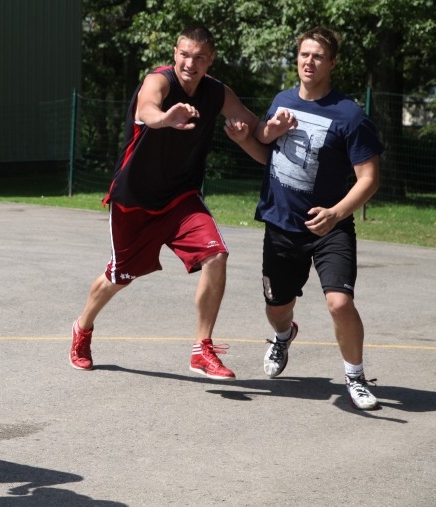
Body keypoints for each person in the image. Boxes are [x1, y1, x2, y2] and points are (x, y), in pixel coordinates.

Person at [70, 25, 291, 379]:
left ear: (210, 60)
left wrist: (272, 129)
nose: (191, 62)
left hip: (180, 197)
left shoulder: (216, 92)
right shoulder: (158, 81)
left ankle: (202, 349)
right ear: (175, 53)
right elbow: (147, 109)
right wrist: (165, 118)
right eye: (185, 54)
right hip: (135, 199)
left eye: (200, 57)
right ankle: (82, 329)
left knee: (216, 255)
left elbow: (254, 128)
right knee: (119, 276)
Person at [223, 27, 383, 410]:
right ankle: (283, 336)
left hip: (331, 226)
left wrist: (336, 213)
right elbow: (271, 159)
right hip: (281, 223)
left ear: (332, 63)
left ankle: (355, 377)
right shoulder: (282, 101)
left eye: (318, 57)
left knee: (340, 303)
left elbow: (369, 178)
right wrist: (245, 139)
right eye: (304, 55)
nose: (309, 62)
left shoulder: (350, 115)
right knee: (277, 307)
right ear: (297, 58)